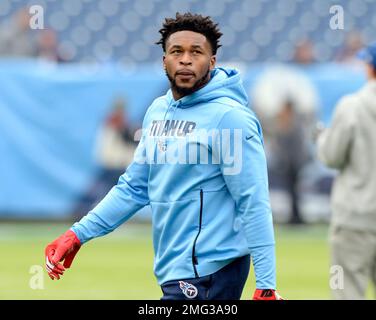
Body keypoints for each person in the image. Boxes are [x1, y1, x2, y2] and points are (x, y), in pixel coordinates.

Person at [45, 13, 282, 300]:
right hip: (173, 267)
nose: (185, 60)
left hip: (210, 271)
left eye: (196, 52)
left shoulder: (229, 118)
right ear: (164, 61)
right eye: (176, 51)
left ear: (212, 61)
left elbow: (253, 201)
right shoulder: (158, 111)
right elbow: (134, 187)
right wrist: (77, 234)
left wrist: (266, 284)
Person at [317, 42, 376, 299]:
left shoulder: (352, 105)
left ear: (370, 67)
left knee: (347, 292)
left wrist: (321, 137)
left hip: (356, 216)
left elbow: (331, 157)